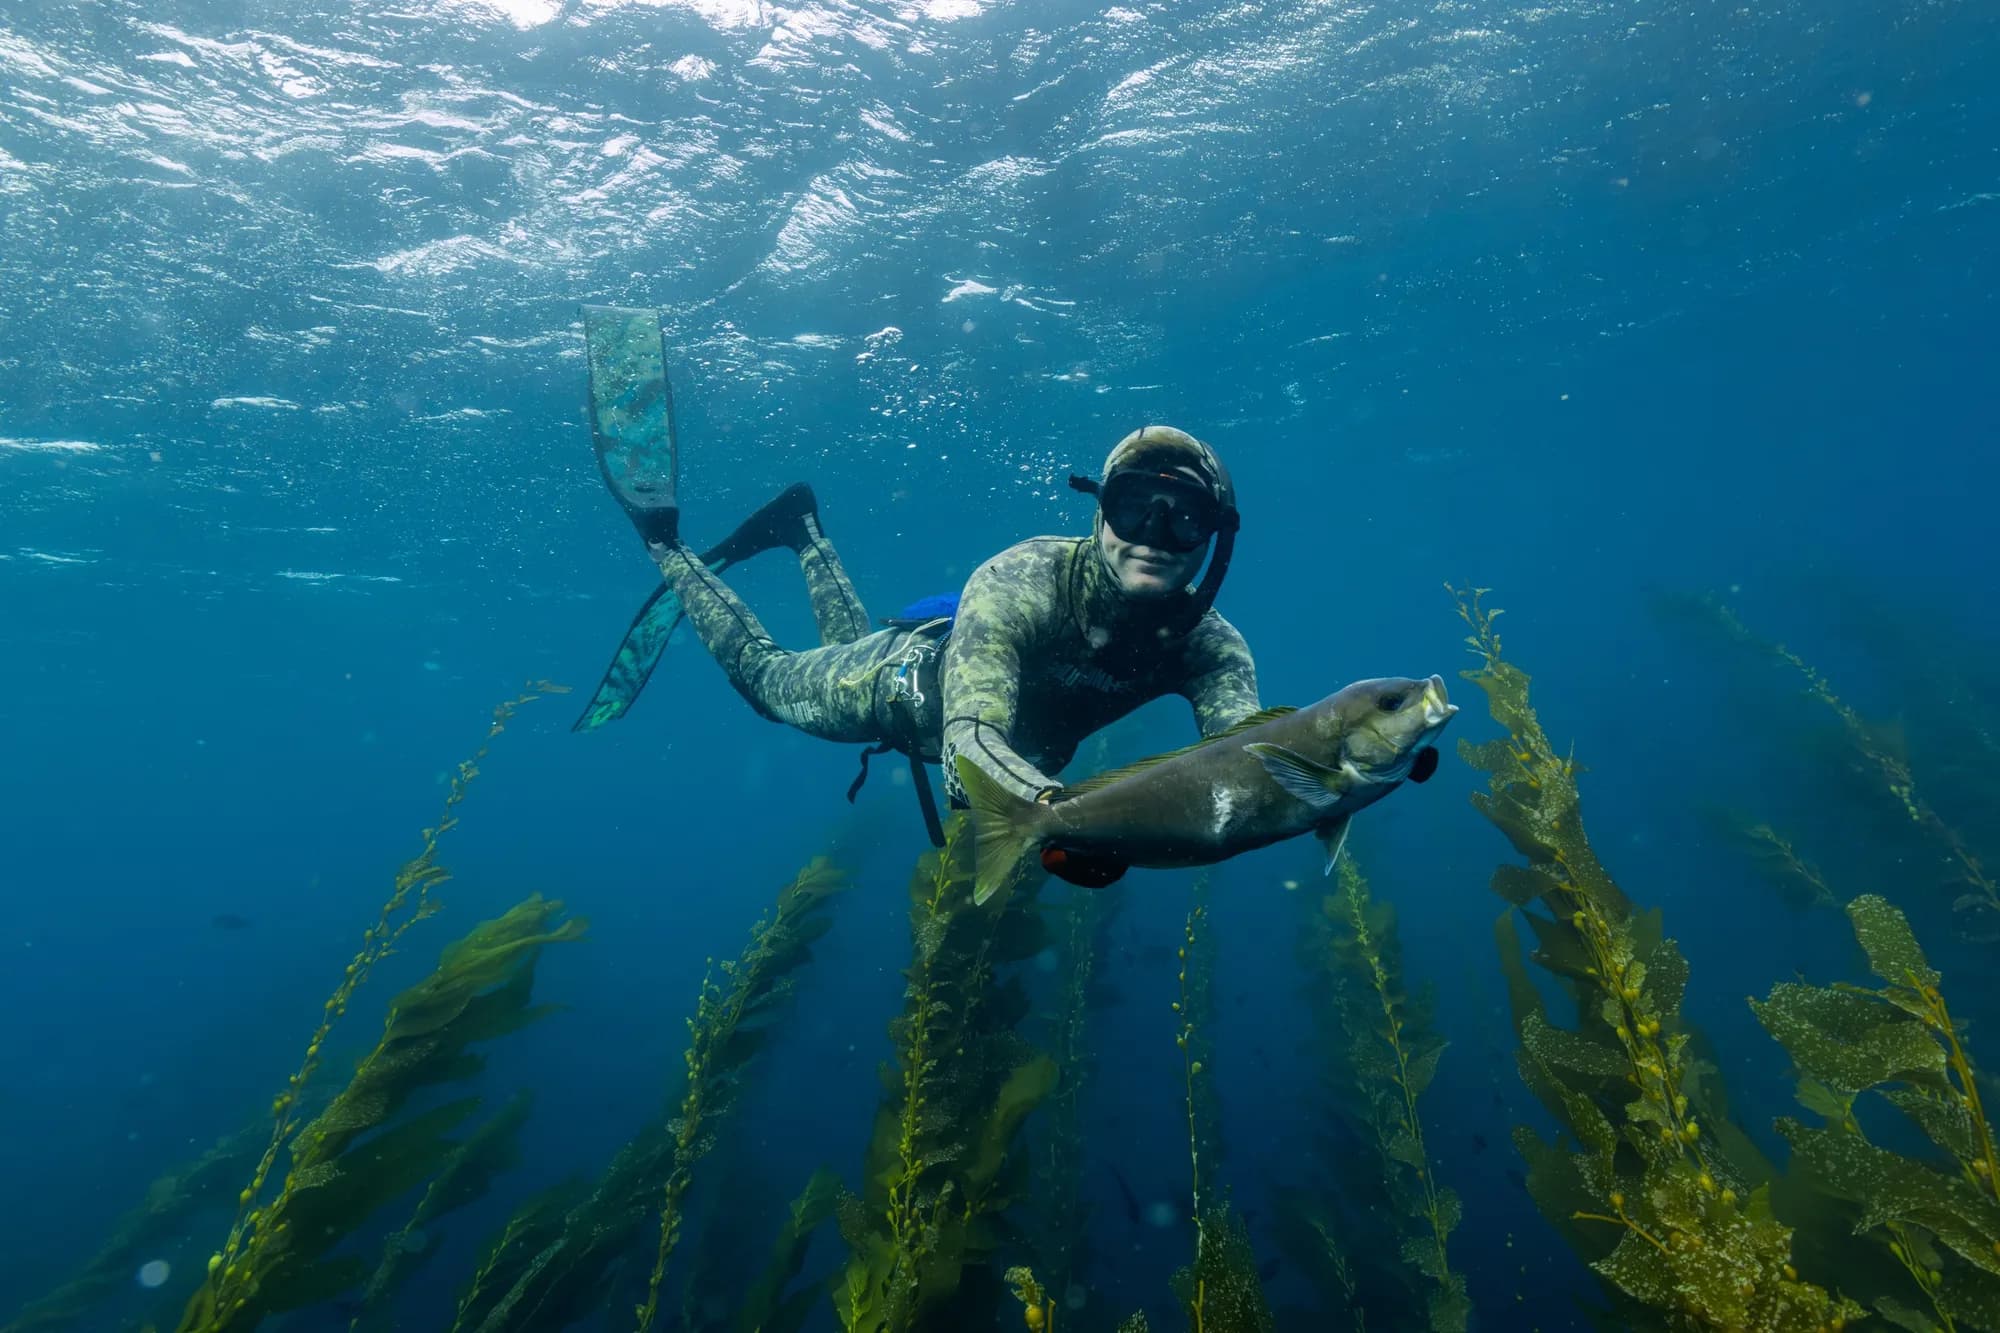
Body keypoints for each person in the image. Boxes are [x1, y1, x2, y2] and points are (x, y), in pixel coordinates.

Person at [576, 312, 1259, 859]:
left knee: (843, 643)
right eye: (1134, 505)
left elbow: (1246, 773)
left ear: (1216, 532)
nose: (1153, 533)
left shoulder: (1212, 647)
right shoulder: (1021, 581)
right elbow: (968, 745)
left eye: (1186, 516)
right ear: (1099, 509)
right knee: (768, 679)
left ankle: (802, 530)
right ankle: (663, 538)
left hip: (999, 729)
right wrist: (1065, 821)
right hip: (899, 687)